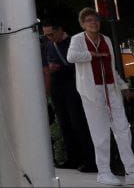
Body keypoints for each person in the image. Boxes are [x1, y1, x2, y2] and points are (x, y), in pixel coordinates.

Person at [67, 7, 134, 186]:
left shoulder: (106, 40)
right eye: (89, 20)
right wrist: (93, 55)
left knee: (123, 130)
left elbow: (112, 68)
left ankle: (132, 172)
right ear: (83, 24)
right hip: (92, 92)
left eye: (95, 20)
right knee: (100, 134)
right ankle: (104, 172)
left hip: (111, 89)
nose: (93, 23)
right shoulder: (77, 39)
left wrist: (123, 85)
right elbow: (71, 56)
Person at [41, 19, 96, 172]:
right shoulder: (49, 46)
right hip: (57, 88)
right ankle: (73, 158)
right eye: (46, 35)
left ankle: (90, 160)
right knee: (64, 124)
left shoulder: (74, 42)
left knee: (78, 123)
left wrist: (60, 67)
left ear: (60, 30)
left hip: (73, 86)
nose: (49, 38)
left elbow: (80, 63)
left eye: (51, 34)